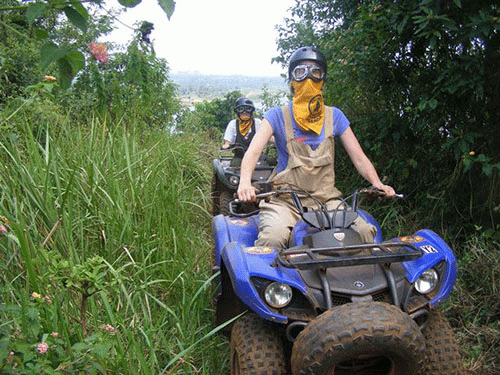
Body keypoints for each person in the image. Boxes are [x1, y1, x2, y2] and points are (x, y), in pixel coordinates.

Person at [237, 46, 395, 249]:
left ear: (323, 80)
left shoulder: (334, 116)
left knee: (364, 233)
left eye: (316, 72)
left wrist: (376, 183)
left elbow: (359, 157)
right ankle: (272, 282)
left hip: (327, 201)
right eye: (300, 72)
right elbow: (253, 151)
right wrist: (244, 183)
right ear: (292, 81)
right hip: (285, 202)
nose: (308, 79)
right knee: (272, 239)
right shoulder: (277, 116)